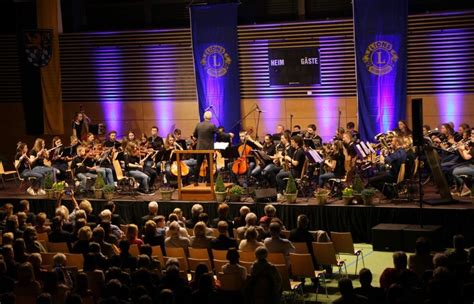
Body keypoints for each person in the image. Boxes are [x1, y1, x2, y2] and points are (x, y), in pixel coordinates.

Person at [193, 111, 216, 186]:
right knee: (210, 165)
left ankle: (195, 181)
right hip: (209, 148)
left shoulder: (198, 125)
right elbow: (220, 134)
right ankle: (208, 182)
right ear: (211, 118)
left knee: (198, 164)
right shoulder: (212, 125)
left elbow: (195, 135)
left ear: (204, 117)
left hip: (200, 147)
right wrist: (228, 135)